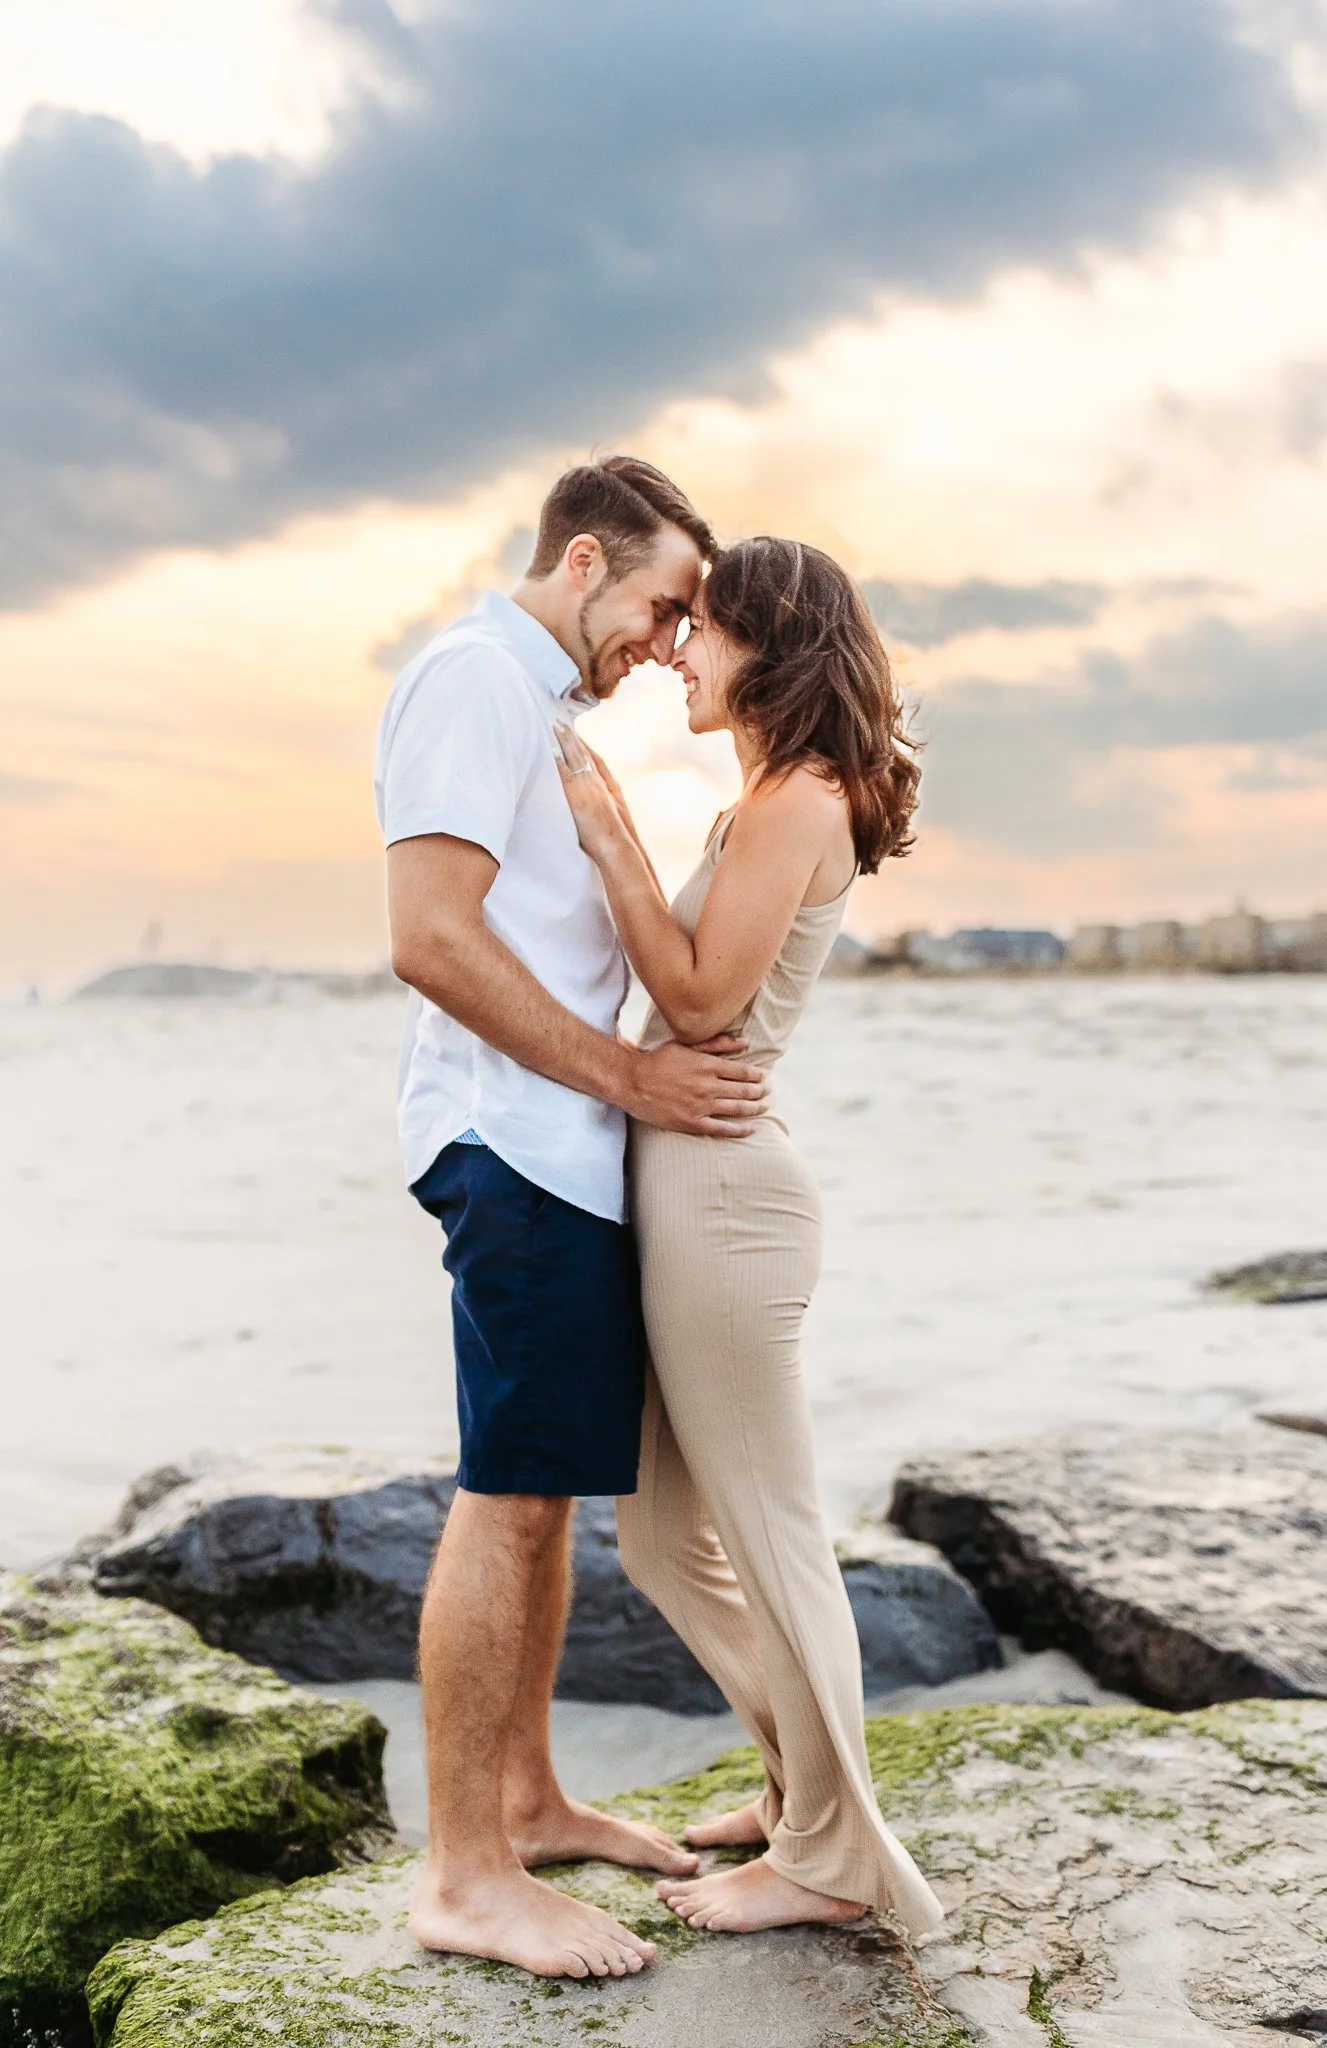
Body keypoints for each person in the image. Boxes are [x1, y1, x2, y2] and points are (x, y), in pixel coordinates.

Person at [377, 456, 771, 1982]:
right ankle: (465, 1874)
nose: (671, 643)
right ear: (587, 557)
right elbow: (427, 937)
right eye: (665, 605)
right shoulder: (474, 680)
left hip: (557, 1144)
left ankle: (527, 1801)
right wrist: (629, 1078)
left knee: (544, 1487)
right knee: (512, 1494)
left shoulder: (534, 707)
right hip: (513, 1140)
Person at [555, 535, 945, 1940]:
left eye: (705, 629)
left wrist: (607, 838)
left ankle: (840, 1859)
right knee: (663, 1541)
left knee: (772, 1536)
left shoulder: (798, 797)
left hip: (728, 1198)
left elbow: (707, 1009)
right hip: (693, 1186)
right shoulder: (762, 800)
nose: (678, 652)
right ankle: (802, 1796)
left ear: (774, 645)